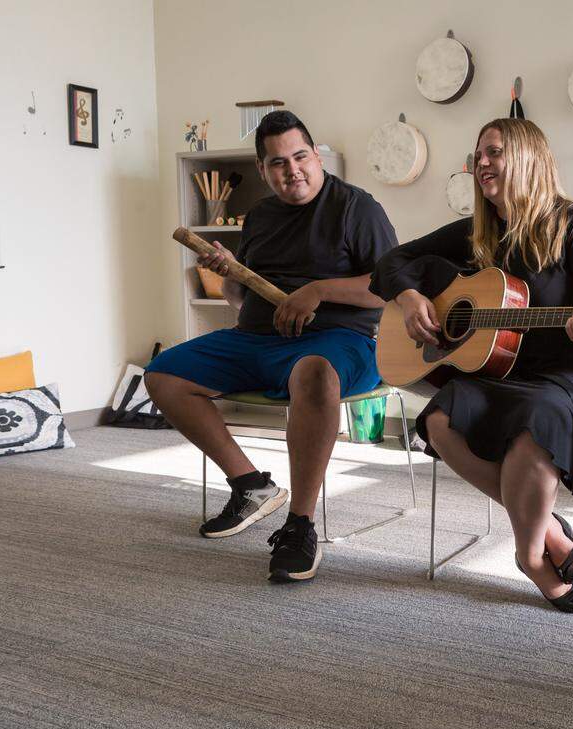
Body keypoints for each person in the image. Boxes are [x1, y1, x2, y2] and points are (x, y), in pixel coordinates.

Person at [370, 118, 573, 613]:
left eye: (494, 152)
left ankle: (532, 556)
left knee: (535, 420)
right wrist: (408, 298)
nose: (481, 164)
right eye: (478, 156)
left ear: (530, 158)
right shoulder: (478, 234)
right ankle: (549, 527)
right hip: (508, 374)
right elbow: (390, 261)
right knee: (441, 419)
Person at [146, 111, 396, 584]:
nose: (292, 170)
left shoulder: (357, 208)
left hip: (341, 343)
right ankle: (251, 485)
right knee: (162, 375)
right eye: (278, 163)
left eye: (300, 157)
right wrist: (232, 275)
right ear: (263, 170)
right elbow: (242, 299)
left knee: (315, 373)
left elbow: (390, 289)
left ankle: (300, 524)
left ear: (316, 155)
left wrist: (319, 289)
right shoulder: (260, 215)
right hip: (257, 338)